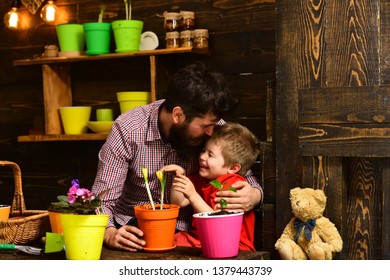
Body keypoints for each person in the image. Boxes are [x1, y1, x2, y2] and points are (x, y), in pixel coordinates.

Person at [91, 62, 263, 252]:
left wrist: (255, 195)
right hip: (135, 230)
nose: (211, 132)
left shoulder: (212, 124)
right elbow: (101, 200)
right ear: (178, 115)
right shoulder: (129, 129)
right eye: (205, 126)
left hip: (194, 235)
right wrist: (109, 233)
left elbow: (242, 172)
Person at [162, 122, 260, 251]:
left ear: (233, 168)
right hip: (203, 239)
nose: (202, 157)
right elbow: (178, 201)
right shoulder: (203, 179)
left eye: (210, 155)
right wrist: (179, 177)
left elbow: (217, 223)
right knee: (169, 240)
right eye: (203, 151)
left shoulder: (232, 186)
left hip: (232, 245)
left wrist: (193, 195)